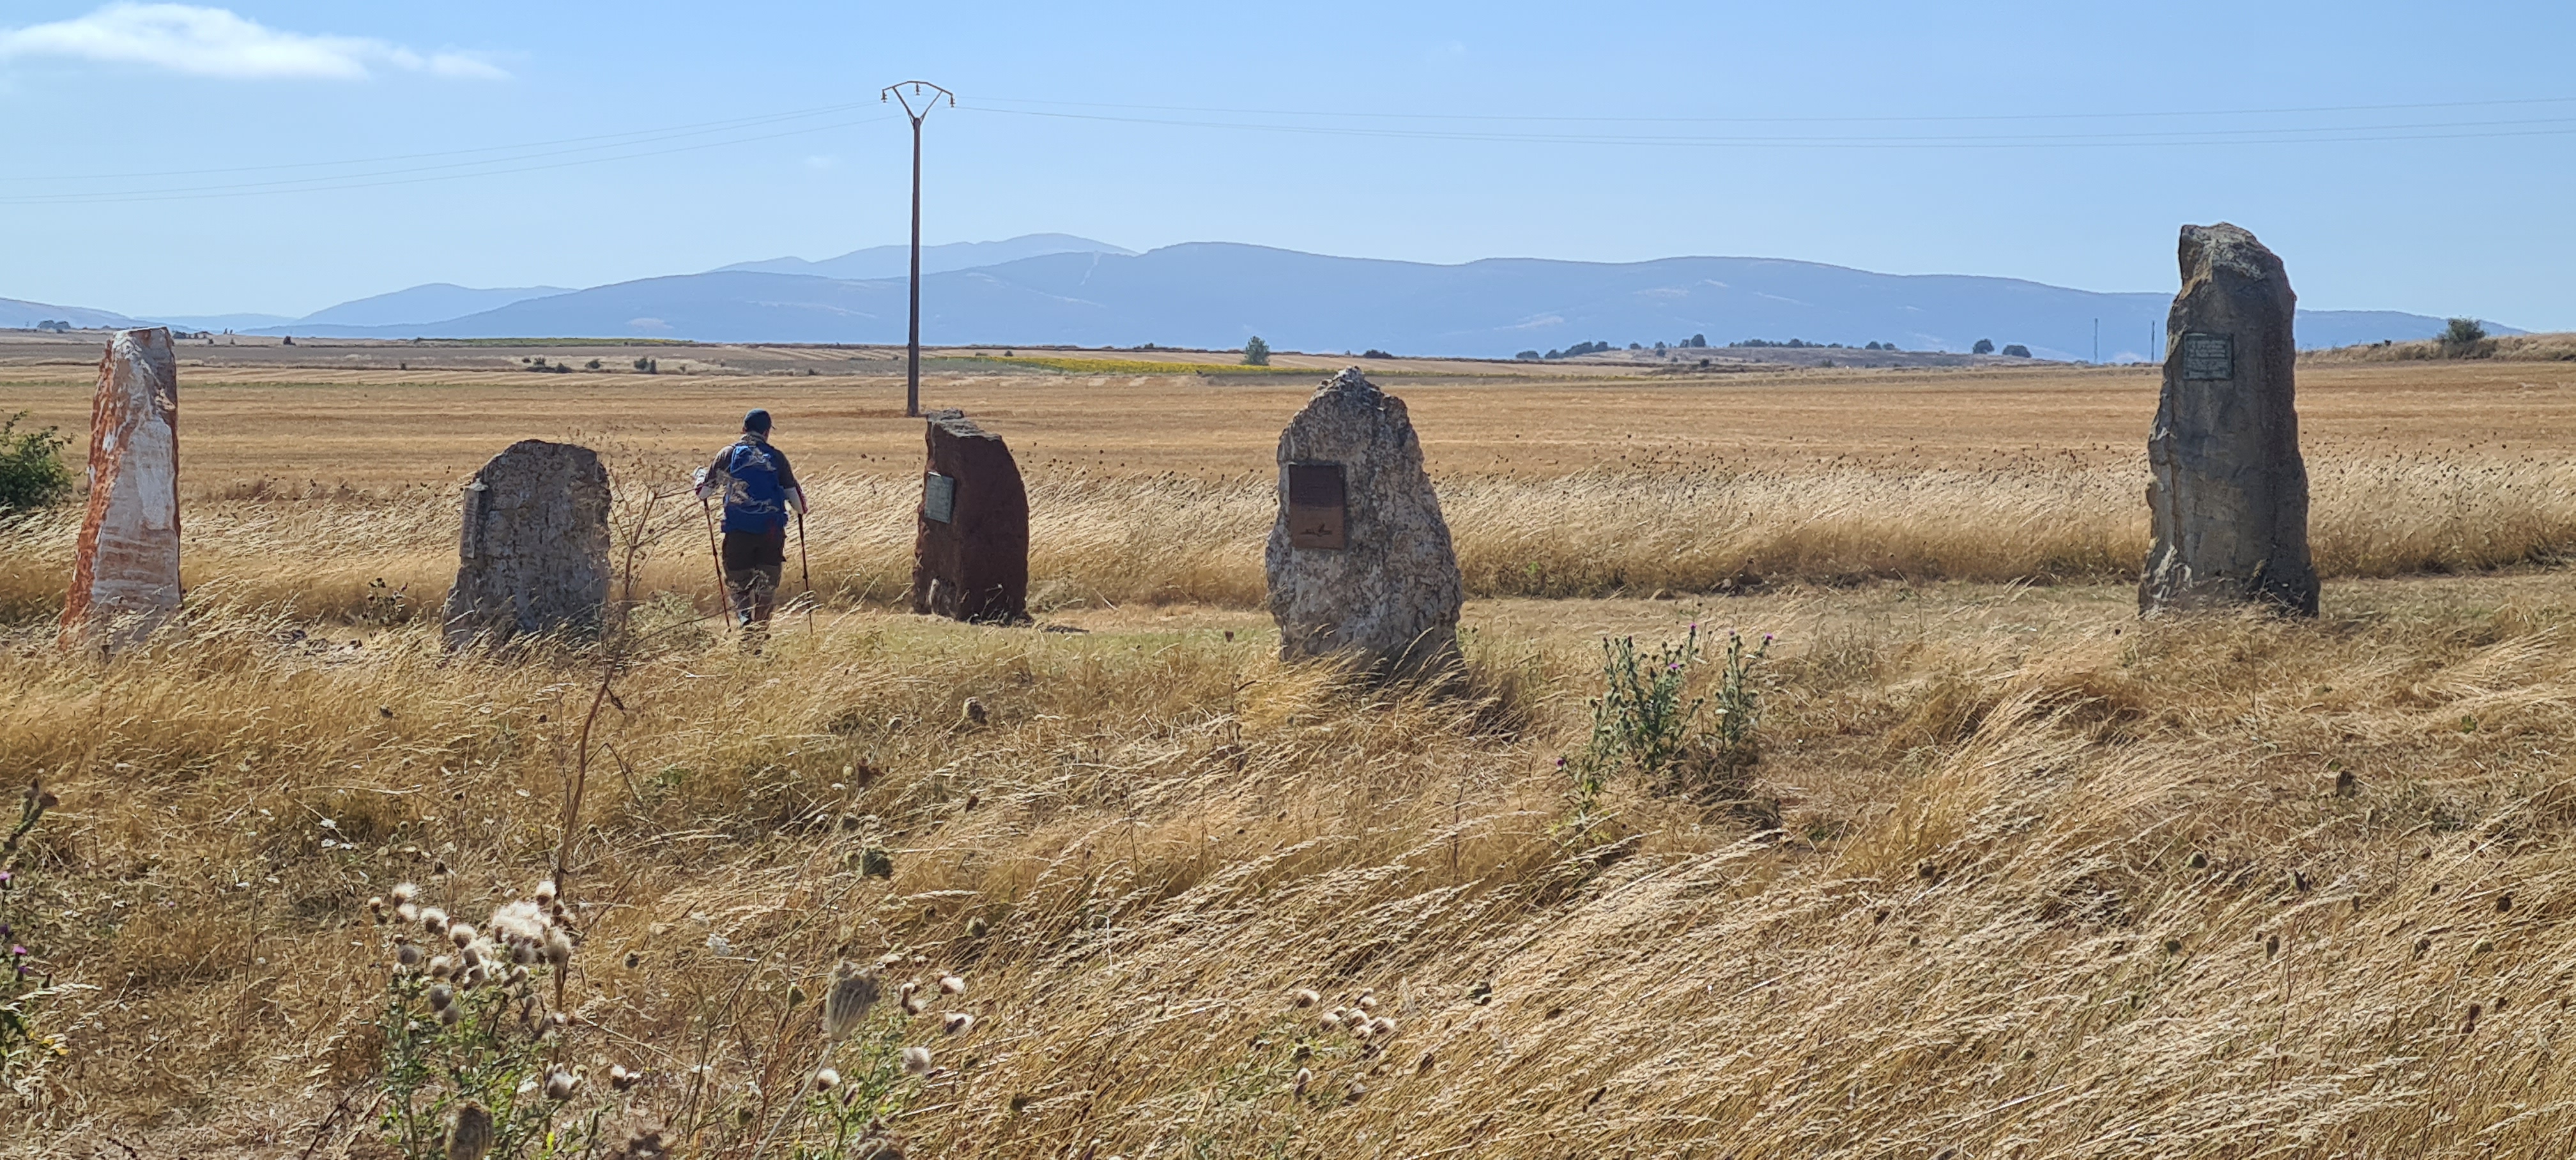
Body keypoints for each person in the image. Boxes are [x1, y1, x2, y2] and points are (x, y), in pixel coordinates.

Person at [695, 409, 806, 645]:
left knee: (738, 585)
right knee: (766, 589)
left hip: (738, 533)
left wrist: (700, 476)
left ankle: (746, 621)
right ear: (767, 432)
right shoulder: (777, 458)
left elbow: (703, 493)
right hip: (771, 534)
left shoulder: (728, 454)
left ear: (744, 429)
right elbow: (799, 506)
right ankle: (759, 636)